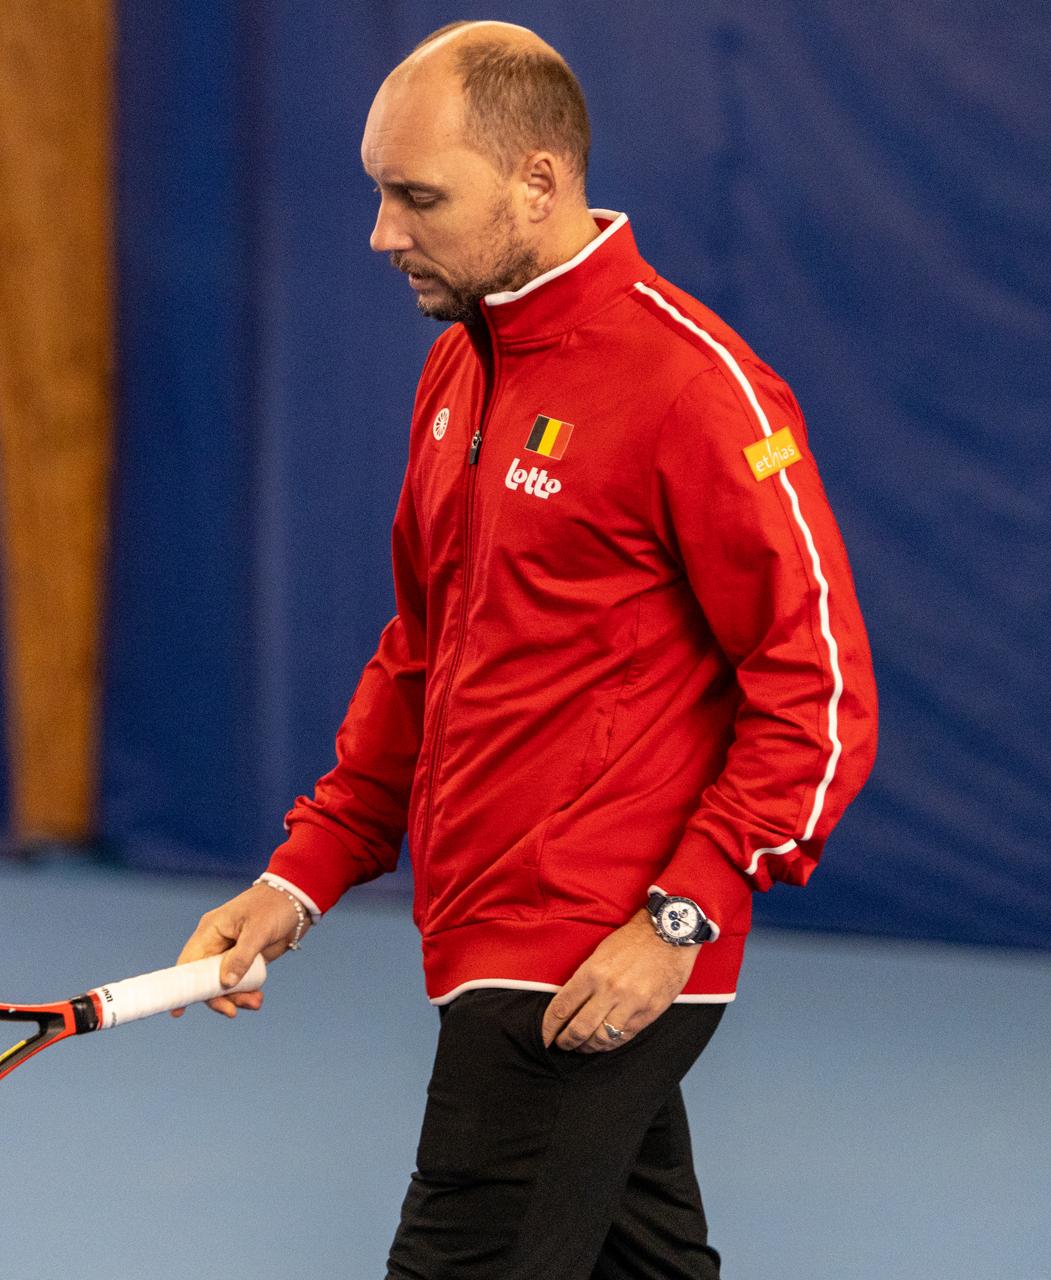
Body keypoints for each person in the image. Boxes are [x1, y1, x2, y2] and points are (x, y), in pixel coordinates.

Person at [170, 20, 879, 1279]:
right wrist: (298, 879)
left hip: (582, 952)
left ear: (537, 182)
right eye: (380, 191)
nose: (384, 233)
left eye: (417, 196)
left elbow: (818, 691)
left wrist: (680, 915)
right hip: (489, 927)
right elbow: (423, 658)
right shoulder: (457, 370)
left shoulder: (699, 386)